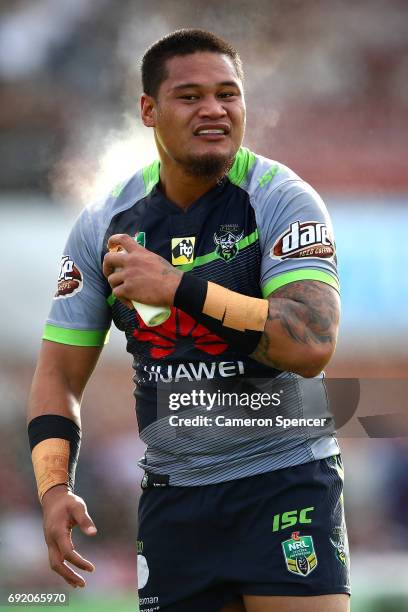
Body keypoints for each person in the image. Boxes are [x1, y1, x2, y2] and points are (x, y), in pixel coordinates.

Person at [27, 29, 350, 612]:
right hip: (174, 499)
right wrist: (54, 487)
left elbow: (311, 343)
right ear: (148, 110)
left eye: (229, 94)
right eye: (190, 95)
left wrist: (176, 287)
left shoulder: (281, 199)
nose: (214, 109)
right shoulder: (105, 223)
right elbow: (57, 374)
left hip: (284, 482)